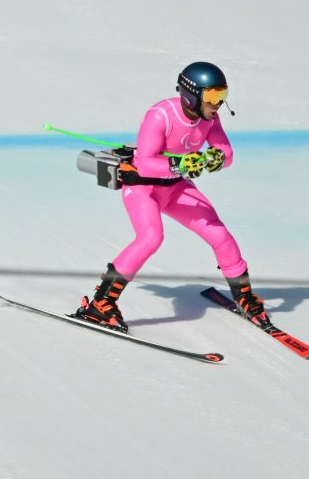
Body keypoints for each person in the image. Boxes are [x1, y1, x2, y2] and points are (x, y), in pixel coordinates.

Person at [76, 61, 269, 331]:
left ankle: (244, 295)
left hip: (176, 188)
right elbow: (144, 162)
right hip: (143, 188)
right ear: (192, 94)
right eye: (213, 97)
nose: (218, 104)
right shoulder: (160, 115)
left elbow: (228, 154)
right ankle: (99, 302)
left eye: (222, 96)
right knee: (151, 237)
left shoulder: (210, 117)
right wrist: (180, 165)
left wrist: (215, 158)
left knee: (219, 234)